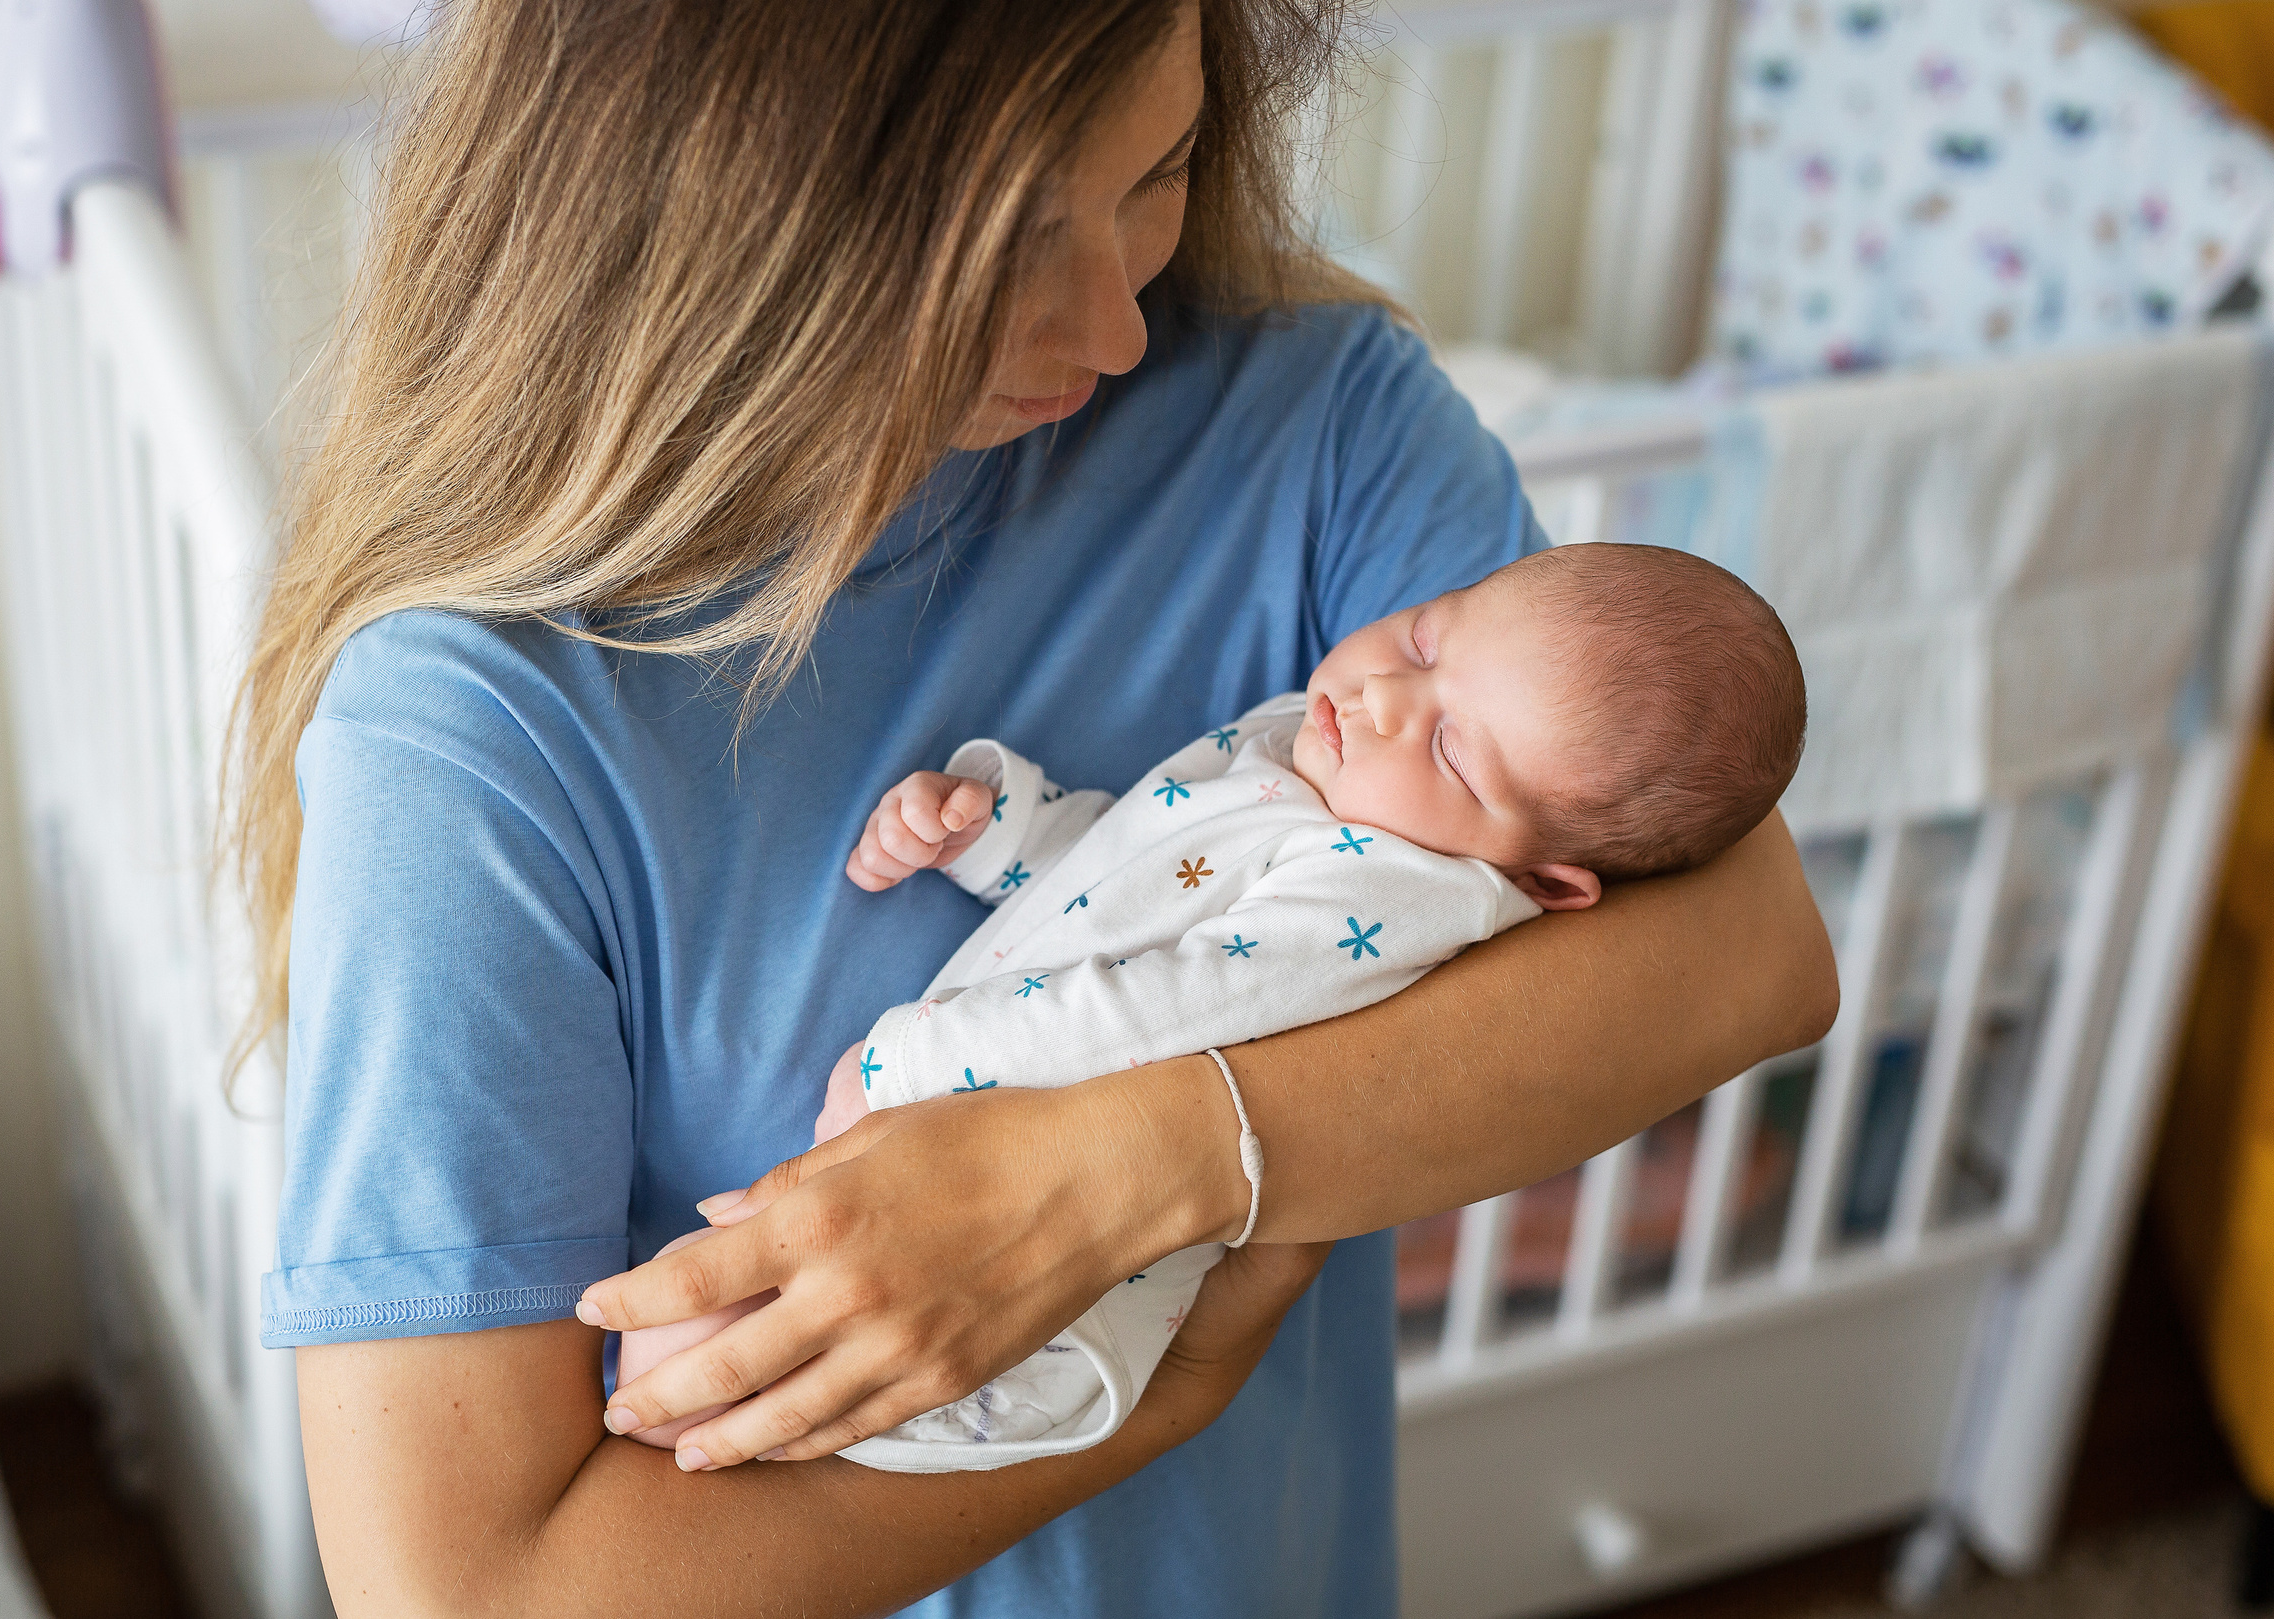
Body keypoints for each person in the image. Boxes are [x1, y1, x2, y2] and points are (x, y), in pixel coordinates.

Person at [233, 0, 1840, 1614]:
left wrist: (1133, 1168)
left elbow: (1749, 950)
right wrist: (1160, 1391)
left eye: (1160, 176)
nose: (1115, 326)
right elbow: (465, 1589)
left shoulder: (1319, 426)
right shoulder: (479, 721)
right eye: (1008, 240)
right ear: (725, 222)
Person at [615, 543, 1809, 1469]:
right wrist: (996, 829)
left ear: (1545, 882)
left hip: (1045, 1318)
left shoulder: (1393, 888)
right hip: (955, 1193)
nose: (1387, 693)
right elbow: (1128, 882)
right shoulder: (1310, 759)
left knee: (681, 1377)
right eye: (1427, 636)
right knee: (675, 1356)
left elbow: (1168, 1014)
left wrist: (916, 1064)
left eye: (1450, 749)